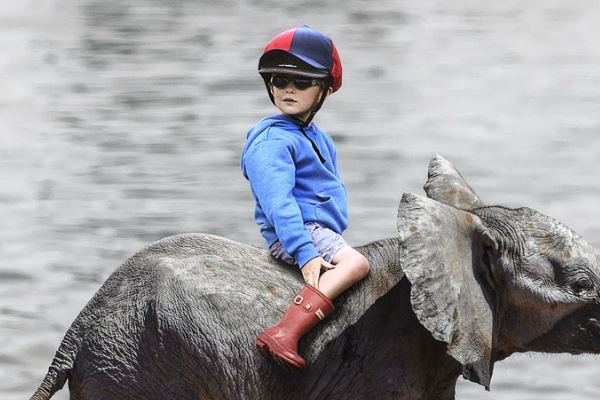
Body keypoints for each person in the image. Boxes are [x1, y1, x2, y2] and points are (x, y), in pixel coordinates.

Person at [241, 25, 370, 370]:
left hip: (317, 229)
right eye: (279, 82)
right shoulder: (272, 142)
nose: (288, 90)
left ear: (325, 89)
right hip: (298, 231)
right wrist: (305, 251)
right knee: (357, 264)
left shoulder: (317, 137)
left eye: (301, 83)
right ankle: (285, 332)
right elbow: (277, 202)